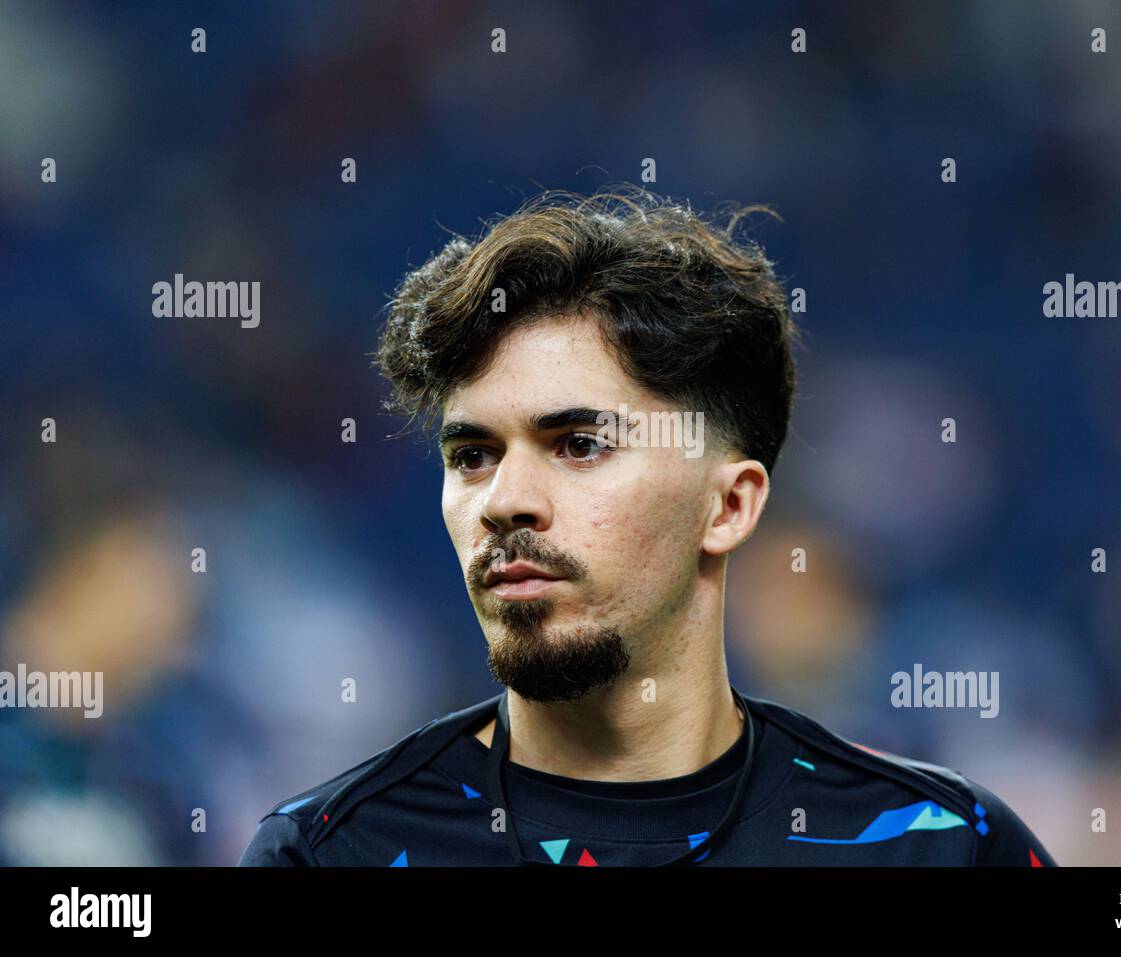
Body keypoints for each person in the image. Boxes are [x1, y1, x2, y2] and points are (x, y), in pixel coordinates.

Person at [238, 186, 1057, 866]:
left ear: (729, 505)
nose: (504, 499)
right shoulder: (328, 854)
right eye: (473, 454)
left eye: (580, 444)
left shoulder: (941, 850)